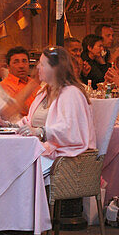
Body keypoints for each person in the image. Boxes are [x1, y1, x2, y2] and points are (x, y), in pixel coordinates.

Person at [18, 46, 96, 177]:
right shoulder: (43, 92)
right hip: (43, 151)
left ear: (55, 69)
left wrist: (40, 132)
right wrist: (9, 126)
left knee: (19, 171)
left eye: (42, 64)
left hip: (66, 159)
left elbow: (71, 131)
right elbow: (29, 121)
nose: (37, 67)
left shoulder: (71, 93)